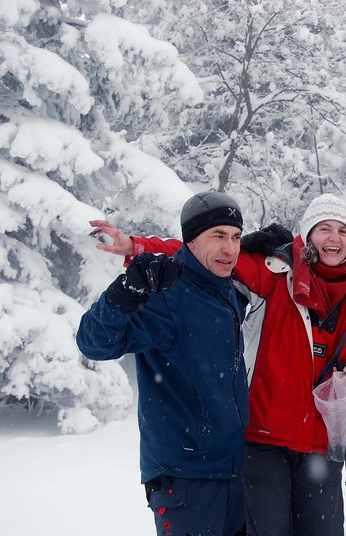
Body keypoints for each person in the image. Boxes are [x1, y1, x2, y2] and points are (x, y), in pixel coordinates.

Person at [91, 193, 346, 536]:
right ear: (306, 236)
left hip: (322, 444)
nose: (333, 238)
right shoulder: (275, 273)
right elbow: (198, 255)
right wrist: (137, 246)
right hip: (263, 438)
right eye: (323, 229)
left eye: (342, 231)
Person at [77, 191, 249, 536]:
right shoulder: (167, 296)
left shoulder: (225, 289)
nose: (230, 249)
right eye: (218, 236)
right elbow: (94, 343)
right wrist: (124, 292)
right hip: (187, 477)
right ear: (192, 242)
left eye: (235, 237)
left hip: (233, 470)